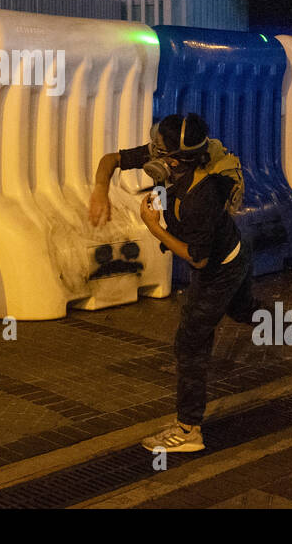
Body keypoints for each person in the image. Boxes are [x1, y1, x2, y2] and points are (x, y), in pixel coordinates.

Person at [89, 113, 253, 453]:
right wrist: (100, 191)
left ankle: (189, 430)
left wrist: (153, 226)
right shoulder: (168, 158)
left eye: (159, 148)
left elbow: (198, 258)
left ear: (174, 159)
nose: (152, 151)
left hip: (219, 268)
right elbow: (112, 160)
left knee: (190, 344)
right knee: (245, 310)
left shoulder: (202, 195)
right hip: (234, 251)